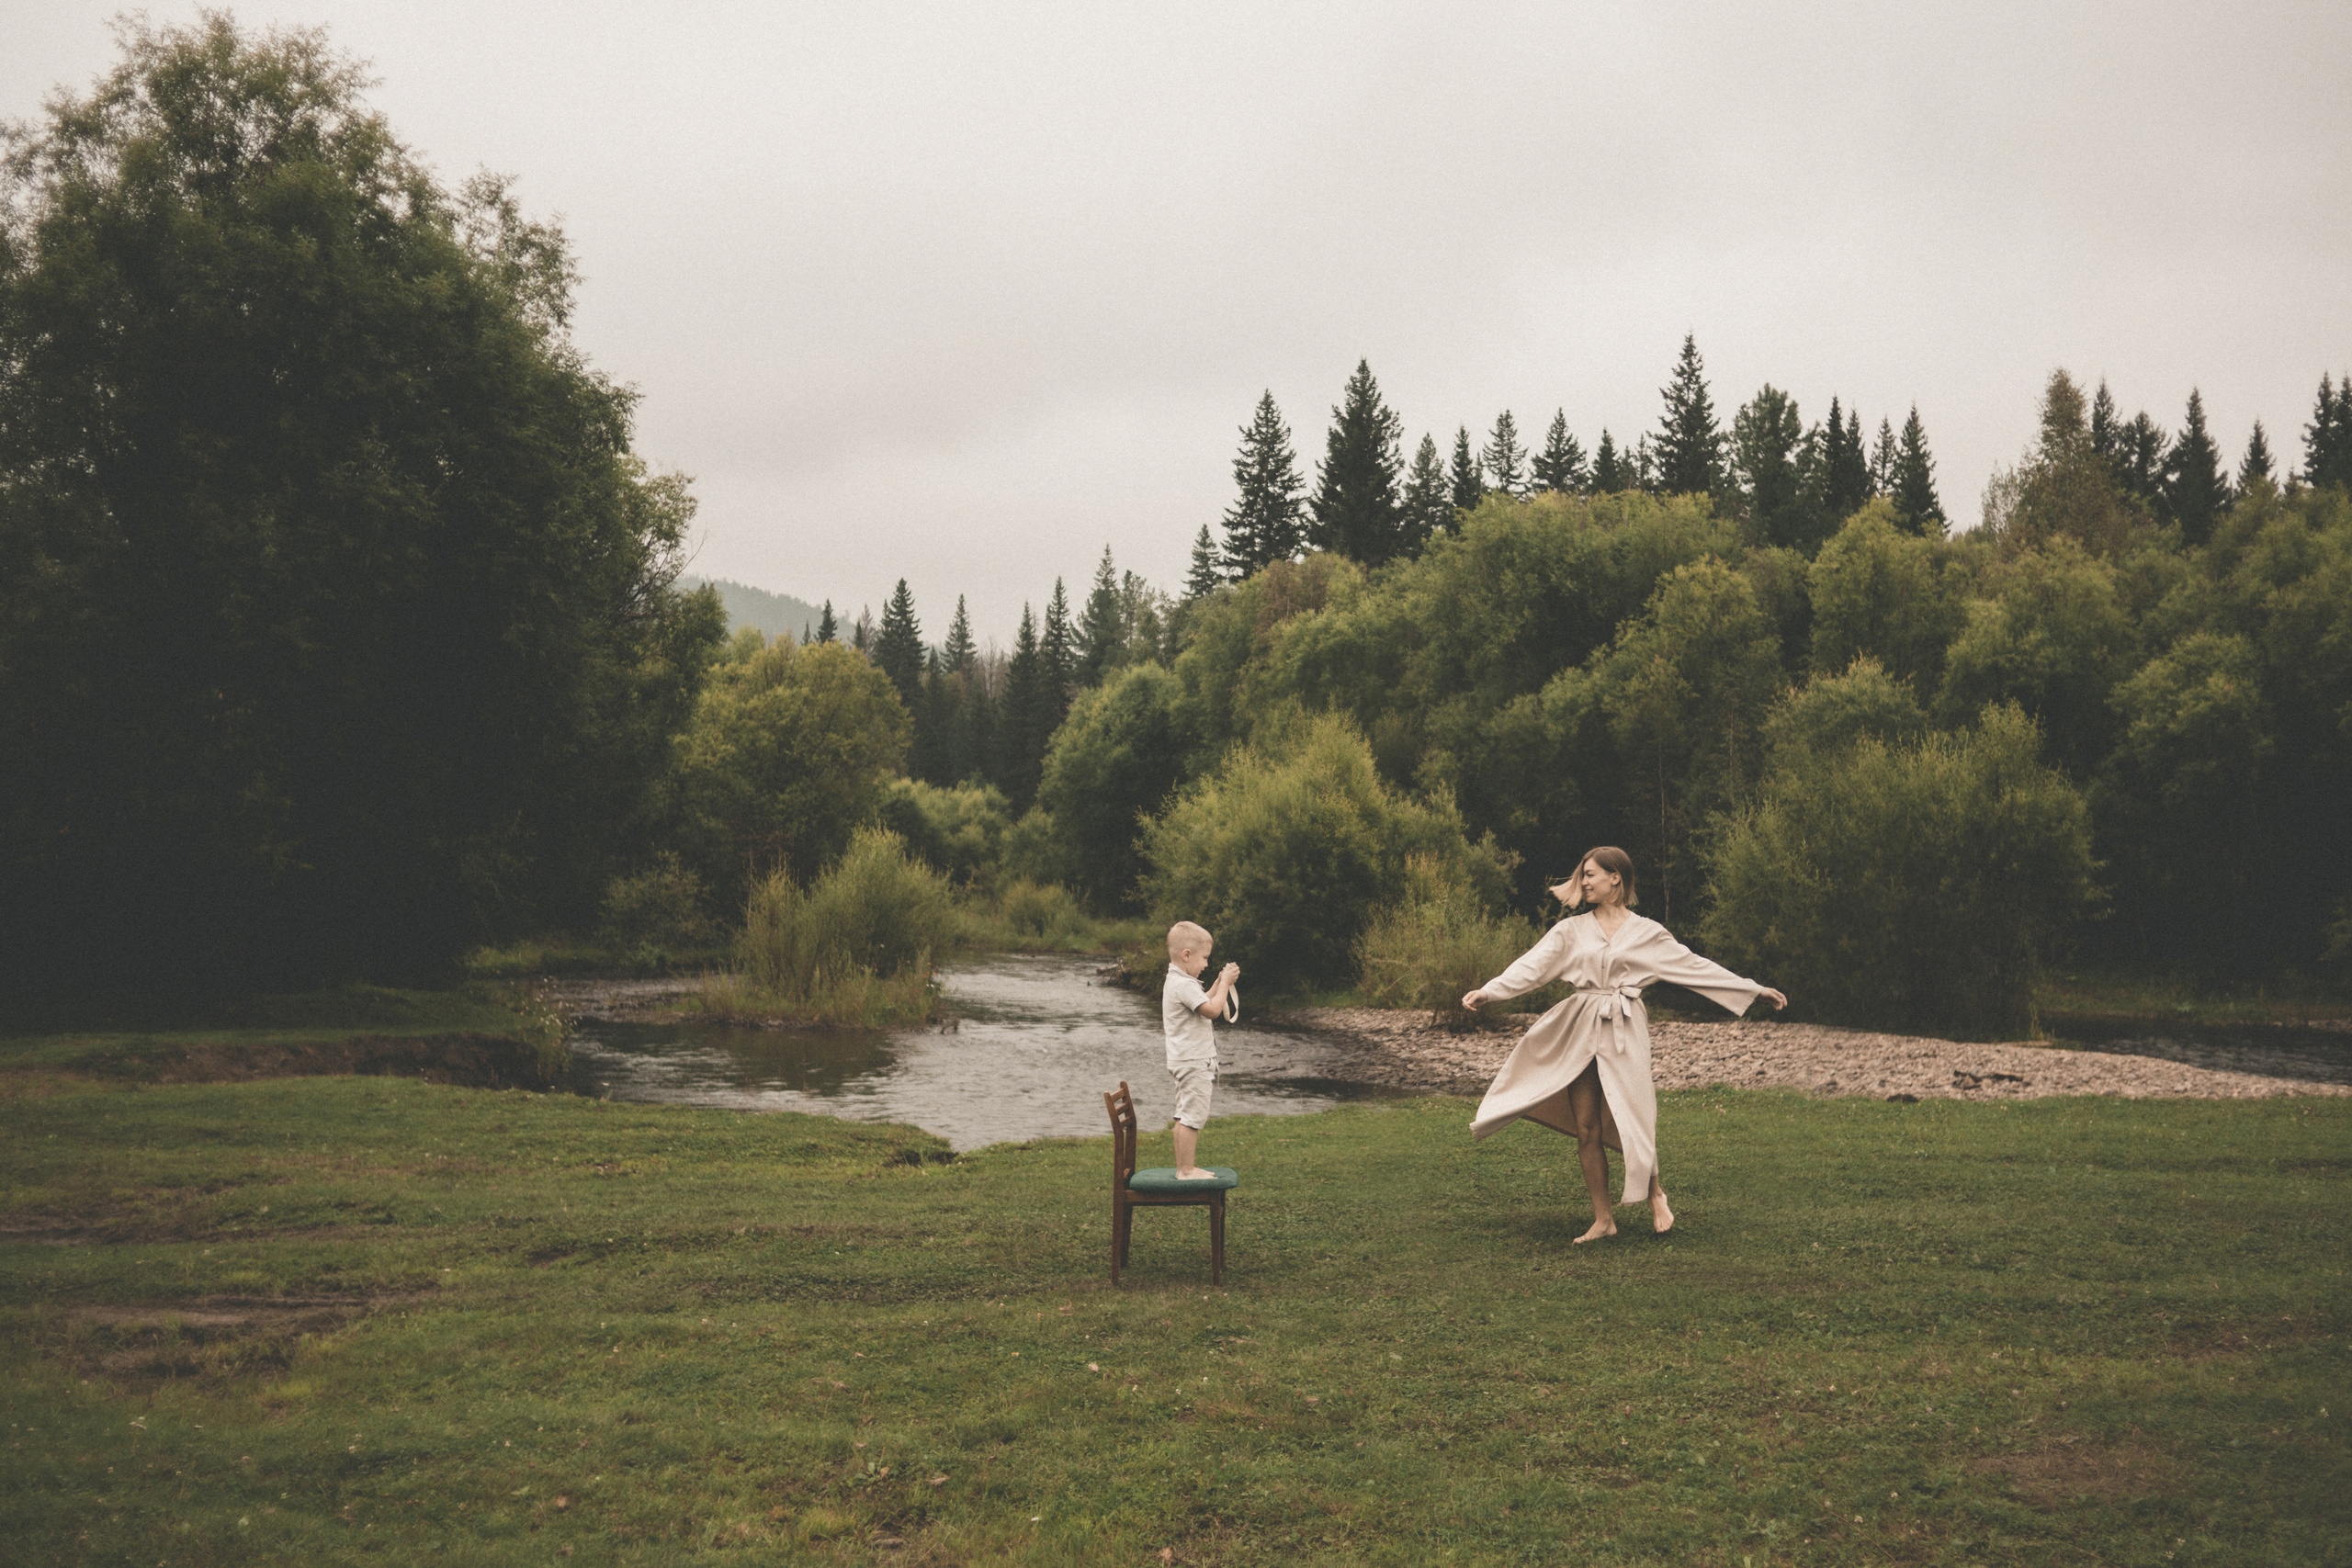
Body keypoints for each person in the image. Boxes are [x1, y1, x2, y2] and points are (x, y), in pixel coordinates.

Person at [1462, 847, 1786, 1243]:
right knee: (1586, 1127)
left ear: (1616, 877)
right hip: (1578, 1028)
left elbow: (1694, 966)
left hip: (1624, 1025)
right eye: (1582, 876)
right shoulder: (1570, 931)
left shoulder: (1647, 933)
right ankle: (1604, 1219)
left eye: (1591, 875)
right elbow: (1532, 966)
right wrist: (1489, 992)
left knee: (1636, 1113)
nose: (1584, 882)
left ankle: (1655, 1192)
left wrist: (1752, 990)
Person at [1161, 919, 1239, 1180]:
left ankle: (1184, 1167)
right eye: (1204, 958)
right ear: (1187, 955)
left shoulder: (1180, 981)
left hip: (1187, 1060)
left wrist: (1218, 981)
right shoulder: (1183, 985)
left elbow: (1205, 999)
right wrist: (1226, 983)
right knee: (1192, 1116)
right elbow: (1212, 1010)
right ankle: (1186, 1170)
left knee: (1185, 1115)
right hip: (1193, 1062)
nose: (1206, 964)